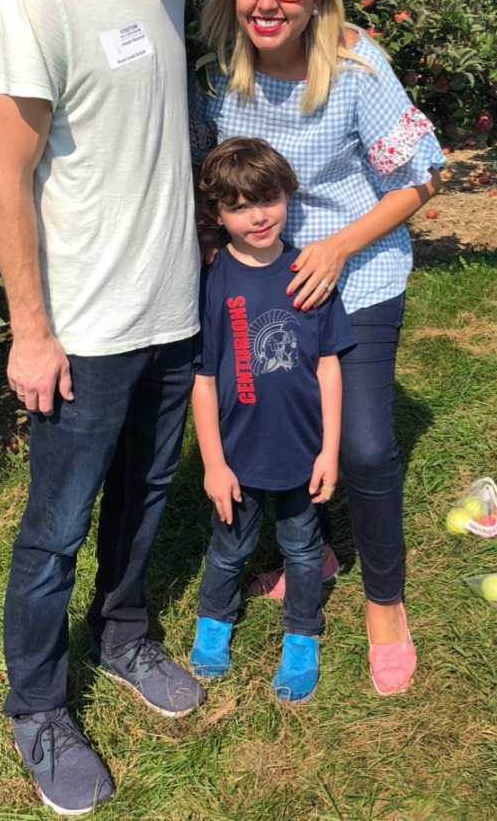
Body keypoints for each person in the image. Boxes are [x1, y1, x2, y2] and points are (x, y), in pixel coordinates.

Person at [0, 0, 233, 816]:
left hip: (171, 302)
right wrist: (29, 328)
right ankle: (37, 702)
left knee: (147, 495)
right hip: (83, 322)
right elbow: (6, 169)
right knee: (57, 527)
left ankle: (124, 633)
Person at [190, 0, 445, 696]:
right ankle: (314, 545)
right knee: (266, 417)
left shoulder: (356, 68)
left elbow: (420, 176)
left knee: (365, 446)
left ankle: (385, 604)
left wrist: (335, 248)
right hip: (263, 283)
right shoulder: (215, 76)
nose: (267, 0)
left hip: (353, 274)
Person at [187, 137, 353, 703]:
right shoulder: (213, 282)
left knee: (304, 550)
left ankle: (302, 634)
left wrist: (331, 449)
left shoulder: (309, 273)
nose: (257, 216)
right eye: (237, 206)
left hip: (303, 454)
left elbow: (330, 366)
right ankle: (214, 622)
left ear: (287, 195)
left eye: (267, 199)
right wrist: (212, 462)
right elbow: (204, 379)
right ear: (218, 214)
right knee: (229, 548)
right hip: (236, 456)